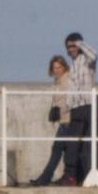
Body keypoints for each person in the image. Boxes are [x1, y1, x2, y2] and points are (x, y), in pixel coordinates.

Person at [30, 55, 76, 186]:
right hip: (64, 120)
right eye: (54, 67)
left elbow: (71, 100)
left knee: (57, 149)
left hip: (68, 120)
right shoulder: (59, 81)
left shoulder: (67, 79)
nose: (56, 70)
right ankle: (65, 177)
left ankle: (45, 178)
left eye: (59, 67)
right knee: (66, 151)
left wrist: (58, 112)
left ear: (64, 66)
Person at [61, 31, 98, 184]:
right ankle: (73, 176)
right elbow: (71, 91)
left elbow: (94, 54)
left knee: (78, 143)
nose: (71, 49)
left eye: (73, 46)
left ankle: (73, 176)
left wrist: (80, 43)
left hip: (87, 106)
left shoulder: (86, 60)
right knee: (74, 144)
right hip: (76, 108)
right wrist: (64, 109)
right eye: (68, 47)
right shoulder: (73, 65)